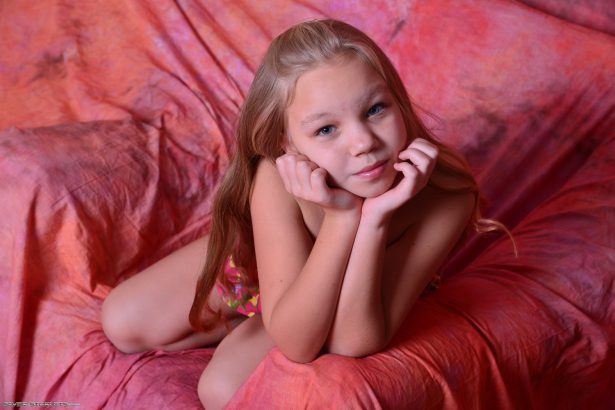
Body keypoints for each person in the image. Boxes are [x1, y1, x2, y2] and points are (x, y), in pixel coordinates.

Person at [101, 18, 515, 409]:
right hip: (266, 270)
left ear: (398, 100)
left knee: (223, 389)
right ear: (288, 143)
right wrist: (339, 218)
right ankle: (257, 310)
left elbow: (352, 340)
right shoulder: (277, 174)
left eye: (375, 109)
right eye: (326, 129)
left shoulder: (446, 192)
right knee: (122, 321)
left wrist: (371, 218)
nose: (363, 143)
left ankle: (267, 318)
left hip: (355, 300)